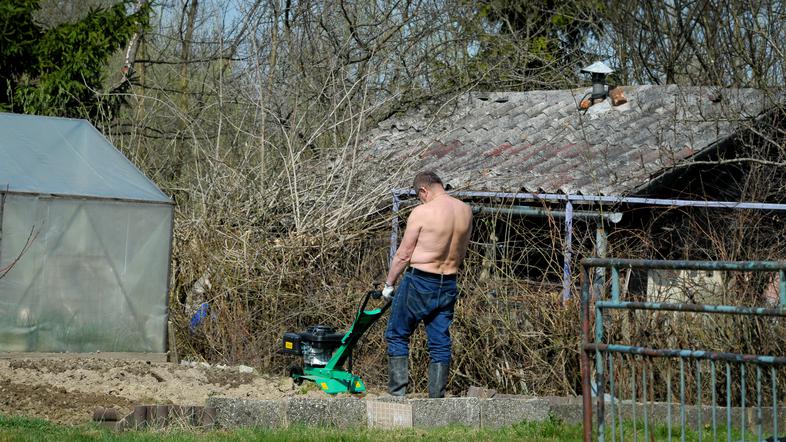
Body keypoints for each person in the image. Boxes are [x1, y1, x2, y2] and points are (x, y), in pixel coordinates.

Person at [381, 171, 473, 398]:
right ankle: (436, 400)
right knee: (440, 341)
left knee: (397, 333)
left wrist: (389, 284)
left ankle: (397, 395)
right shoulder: (465, 211)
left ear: (424, 190)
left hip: (421, 280)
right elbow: (461, 251)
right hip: (449, 281)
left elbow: (403, 254)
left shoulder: (422, 212)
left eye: (420, 196)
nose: (421, 200)